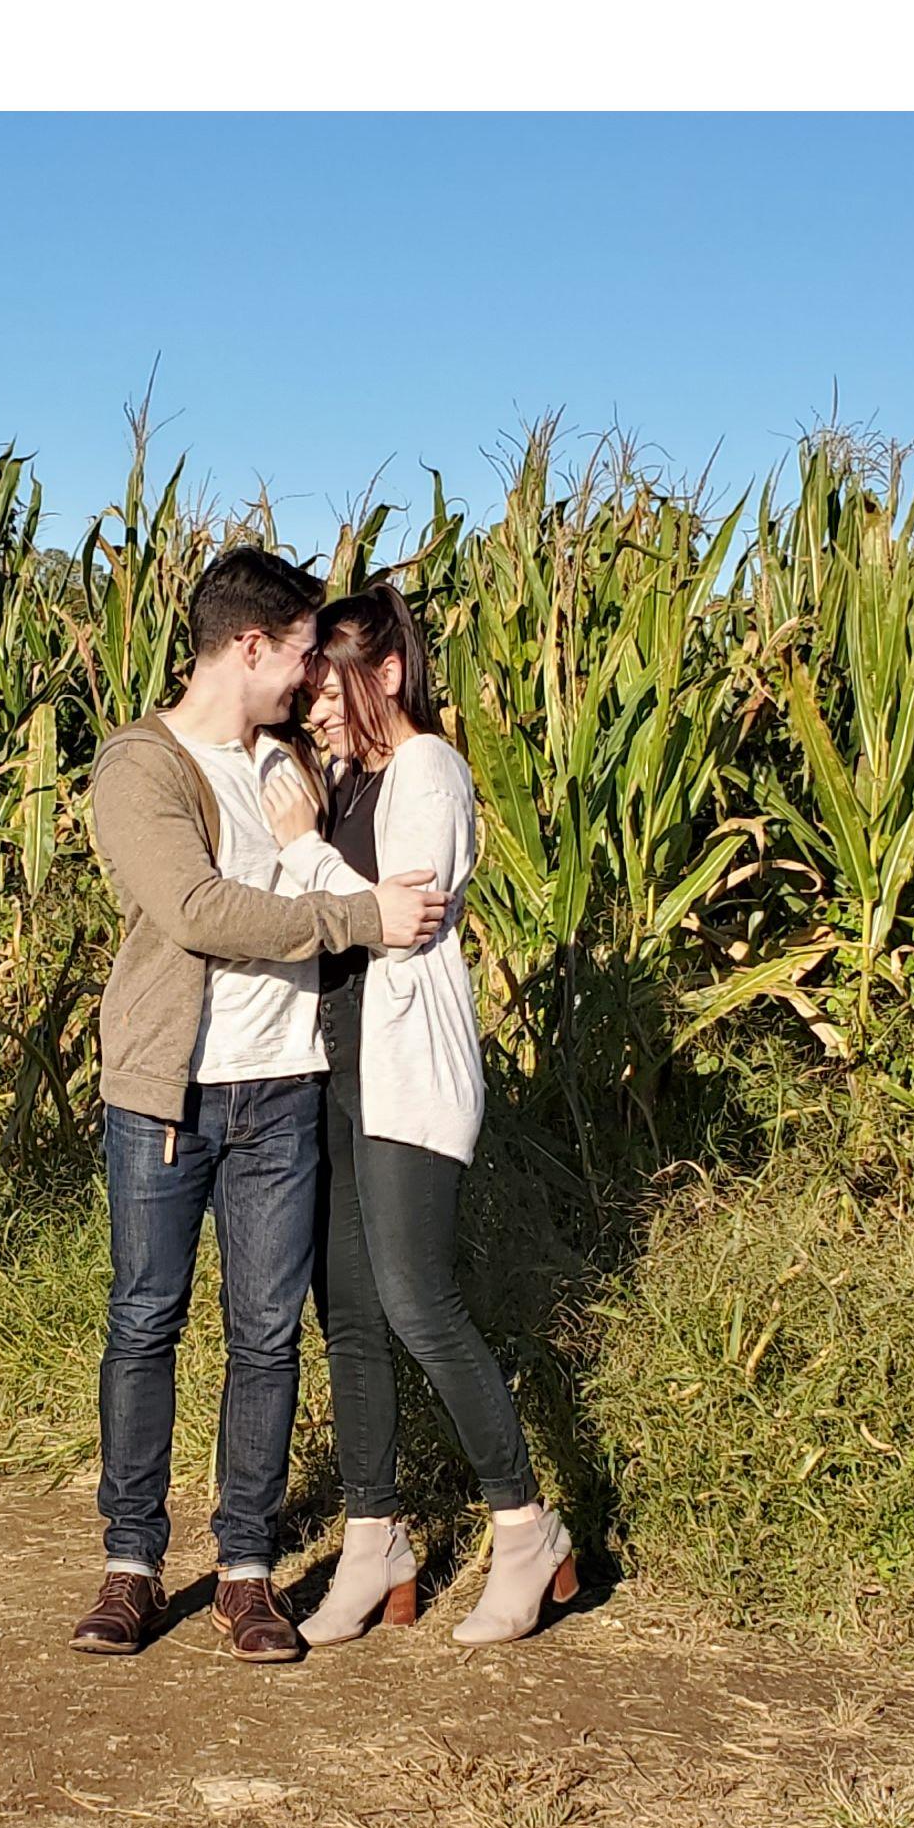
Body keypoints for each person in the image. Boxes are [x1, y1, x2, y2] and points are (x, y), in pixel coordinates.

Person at [75, 546, 450, 1665]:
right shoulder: (140, 766)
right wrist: (357, 922)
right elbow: (196, 909)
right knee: (147, 1319)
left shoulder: (295, 762)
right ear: (250, 646)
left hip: (283, 1090)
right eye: (297, 654)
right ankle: (132, 1566)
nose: (308, 678)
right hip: (167, 1093)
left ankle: (247, 1568)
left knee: (265, 1337)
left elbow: (388, 805)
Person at [263, 580, 578, 1645]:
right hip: (338, 1073)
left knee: (415, 1300)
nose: (315, 710)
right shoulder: (348, 777)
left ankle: (528, 1526)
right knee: (347, 1313)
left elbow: (401, 919)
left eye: (329, 688)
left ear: (387, 673)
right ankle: (373, 1541)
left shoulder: (429, 772)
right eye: (306, 691)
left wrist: (303, 847)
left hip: (408, 1079)